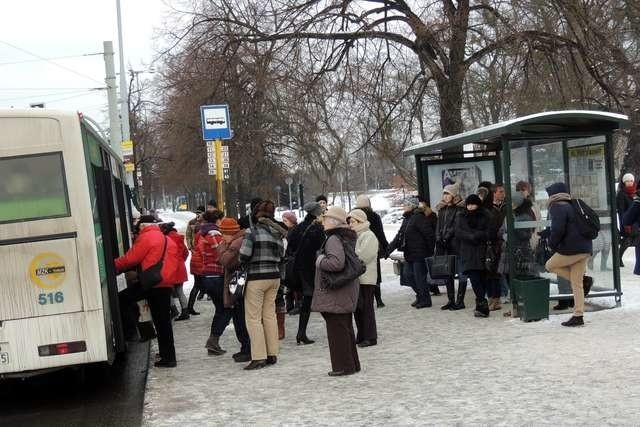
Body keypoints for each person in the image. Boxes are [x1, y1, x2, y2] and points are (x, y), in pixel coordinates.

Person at [115, 215, 180, 368]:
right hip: (164, 284)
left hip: (151, 283)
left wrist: (110, 264)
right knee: (163, 322)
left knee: (122, 299)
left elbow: (131, 259)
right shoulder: (166, 239)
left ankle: (130, 333)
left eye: (138, 226)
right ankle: (168, 356)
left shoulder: (146, 238)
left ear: (143, 225)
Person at [311, 206, 361, 376]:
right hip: (344, 291)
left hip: (336, 292)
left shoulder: (333, 239)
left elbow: (336, 263)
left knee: (337, 330)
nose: (322, 222)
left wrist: (319, 260)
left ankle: (343, 367)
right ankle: (352, 364)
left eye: (325, 219)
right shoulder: (345, 237)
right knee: (344, 327)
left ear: (333, 221)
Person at [239, 200, 286, 370]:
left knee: (253, 318)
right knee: (269, 315)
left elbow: (244, 255)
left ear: (256, 214)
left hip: (257, 278)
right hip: (274, 277)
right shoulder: (277, 233)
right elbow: (282, 256)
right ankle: (272, 353)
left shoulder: (252, 232)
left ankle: (258, 356)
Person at [544, 182, 594, 327]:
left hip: (572, 249)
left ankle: (586, 281)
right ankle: (578, 315)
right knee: (577, 283)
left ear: (553, 195)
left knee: (549, 265)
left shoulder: (557, 206)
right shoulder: (572, 205)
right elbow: (570, 226)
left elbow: (558, 229)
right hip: (585, 247)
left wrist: (552, 244)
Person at [286, 201, 325, 344]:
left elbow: (290, 249)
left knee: (307, 301)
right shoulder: (317, 229)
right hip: (311, 269)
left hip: (298, 269)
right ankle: (301, 333)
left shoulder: (298, 228)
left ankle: (301, 333)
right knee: (315, 299)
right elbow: (322, 249)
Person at [388, 197, 436, 308]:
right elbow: (399, 236)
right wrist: (388, 249)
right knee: (408, 275)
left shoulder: (419, 217)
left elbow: (429, 235)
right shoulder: (407, 219)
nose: (403, 206)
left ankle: (425, 300)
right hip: (409, 253)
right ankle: (420, 295)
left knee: (419, 278)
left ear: (411, 206)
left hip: (420, 253)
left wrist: (429, 250)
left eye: (405, 204)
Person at [217, 217, 252, 363]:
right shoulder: (236, 241)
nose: (221, 236)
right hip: (238, 283)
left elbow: (226, 261)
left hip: (239, 285)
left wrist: (221, 247)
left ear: (229, 232)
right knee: (238, 317)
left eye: (222, 233)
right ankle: (245, 347)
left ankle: (247, 348)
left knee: (240, 317)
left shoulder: (236, 243)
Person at [198, 210, 231, 355]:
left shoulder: (205, 233)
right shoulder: (214, 234)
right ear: (218, 220)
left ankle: (213, 341)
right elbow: (221, 254)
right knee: (226, 309)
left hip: (208, 276)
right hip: (216, 275)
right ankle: (213, 340)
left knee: (220, 310)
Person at [456, 194, 492, 318]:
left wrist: (477, 235)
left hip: (481, 251)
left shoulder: (485, 215)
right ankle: (482, 303)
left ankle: (481, 305)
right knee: (474, 277)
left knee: (481, 278)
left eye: (473, 204)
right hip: (467, 252)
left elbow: (489, 232)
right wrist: (472, 236)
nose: (471, 207)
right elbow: (458, 232)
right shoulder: (461, 216)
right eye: (469, 204)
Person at [348, 209, 379, 347]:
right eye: (349, 222)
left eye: (353, 221)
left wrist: (349, 256)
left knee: (366, 308)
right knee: (358, 308)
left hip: (366, 278)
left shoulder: (368, 235)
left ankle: (370, 336)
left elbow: (363, 256)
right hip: (357, 278)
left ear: (360, 221)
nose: (350, 224)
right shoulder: (356, 235)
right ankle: (361, 334)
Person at [434, 184, 467, 310]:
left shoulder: (459, 209)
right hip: (445, 246)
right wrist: (438, 237)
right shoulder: (442, 209)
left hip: (456, 245)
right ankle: (451, 300)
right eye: (444, 193)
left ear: (453, 195)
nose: (445, 196)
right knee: (448, 273)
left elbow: (456, 225)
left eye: (447, 193)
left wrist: (446, 236)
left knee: (461, 272)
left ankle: (460, 301)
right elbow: (438, 225)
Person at [355, 195, 389, 308]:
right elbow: (380, 234)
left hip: (358, 249)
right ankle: (378, 300)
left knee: (361, 273)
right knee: (375, 274)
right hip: (374, 248)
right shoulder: (375, 217)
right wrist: (386, 247)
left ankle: (363, 299)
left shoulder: (353, 217)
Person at [160, 222, 191, 321]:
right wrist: (181, 261)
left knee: (167, 291)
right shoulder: (179, 238)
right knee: (180, 291)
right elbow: (186, 252)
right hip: (180, 267)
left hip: (169, 268)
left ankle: (174, 310)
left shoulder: (165, 239)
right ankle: (185, 311)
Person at [618, 173, 638, 266]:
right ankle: (618, 258)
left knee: (637, 242)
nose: (629, 183)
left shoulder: (635, 193)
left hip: (636, 222)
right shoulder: (621, 194)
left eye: (631, 181)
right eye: (627, 181)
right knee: (627, 242)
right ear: (624, 182)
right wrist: (625, 224)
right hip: (628, 222)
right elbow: (621, 211)